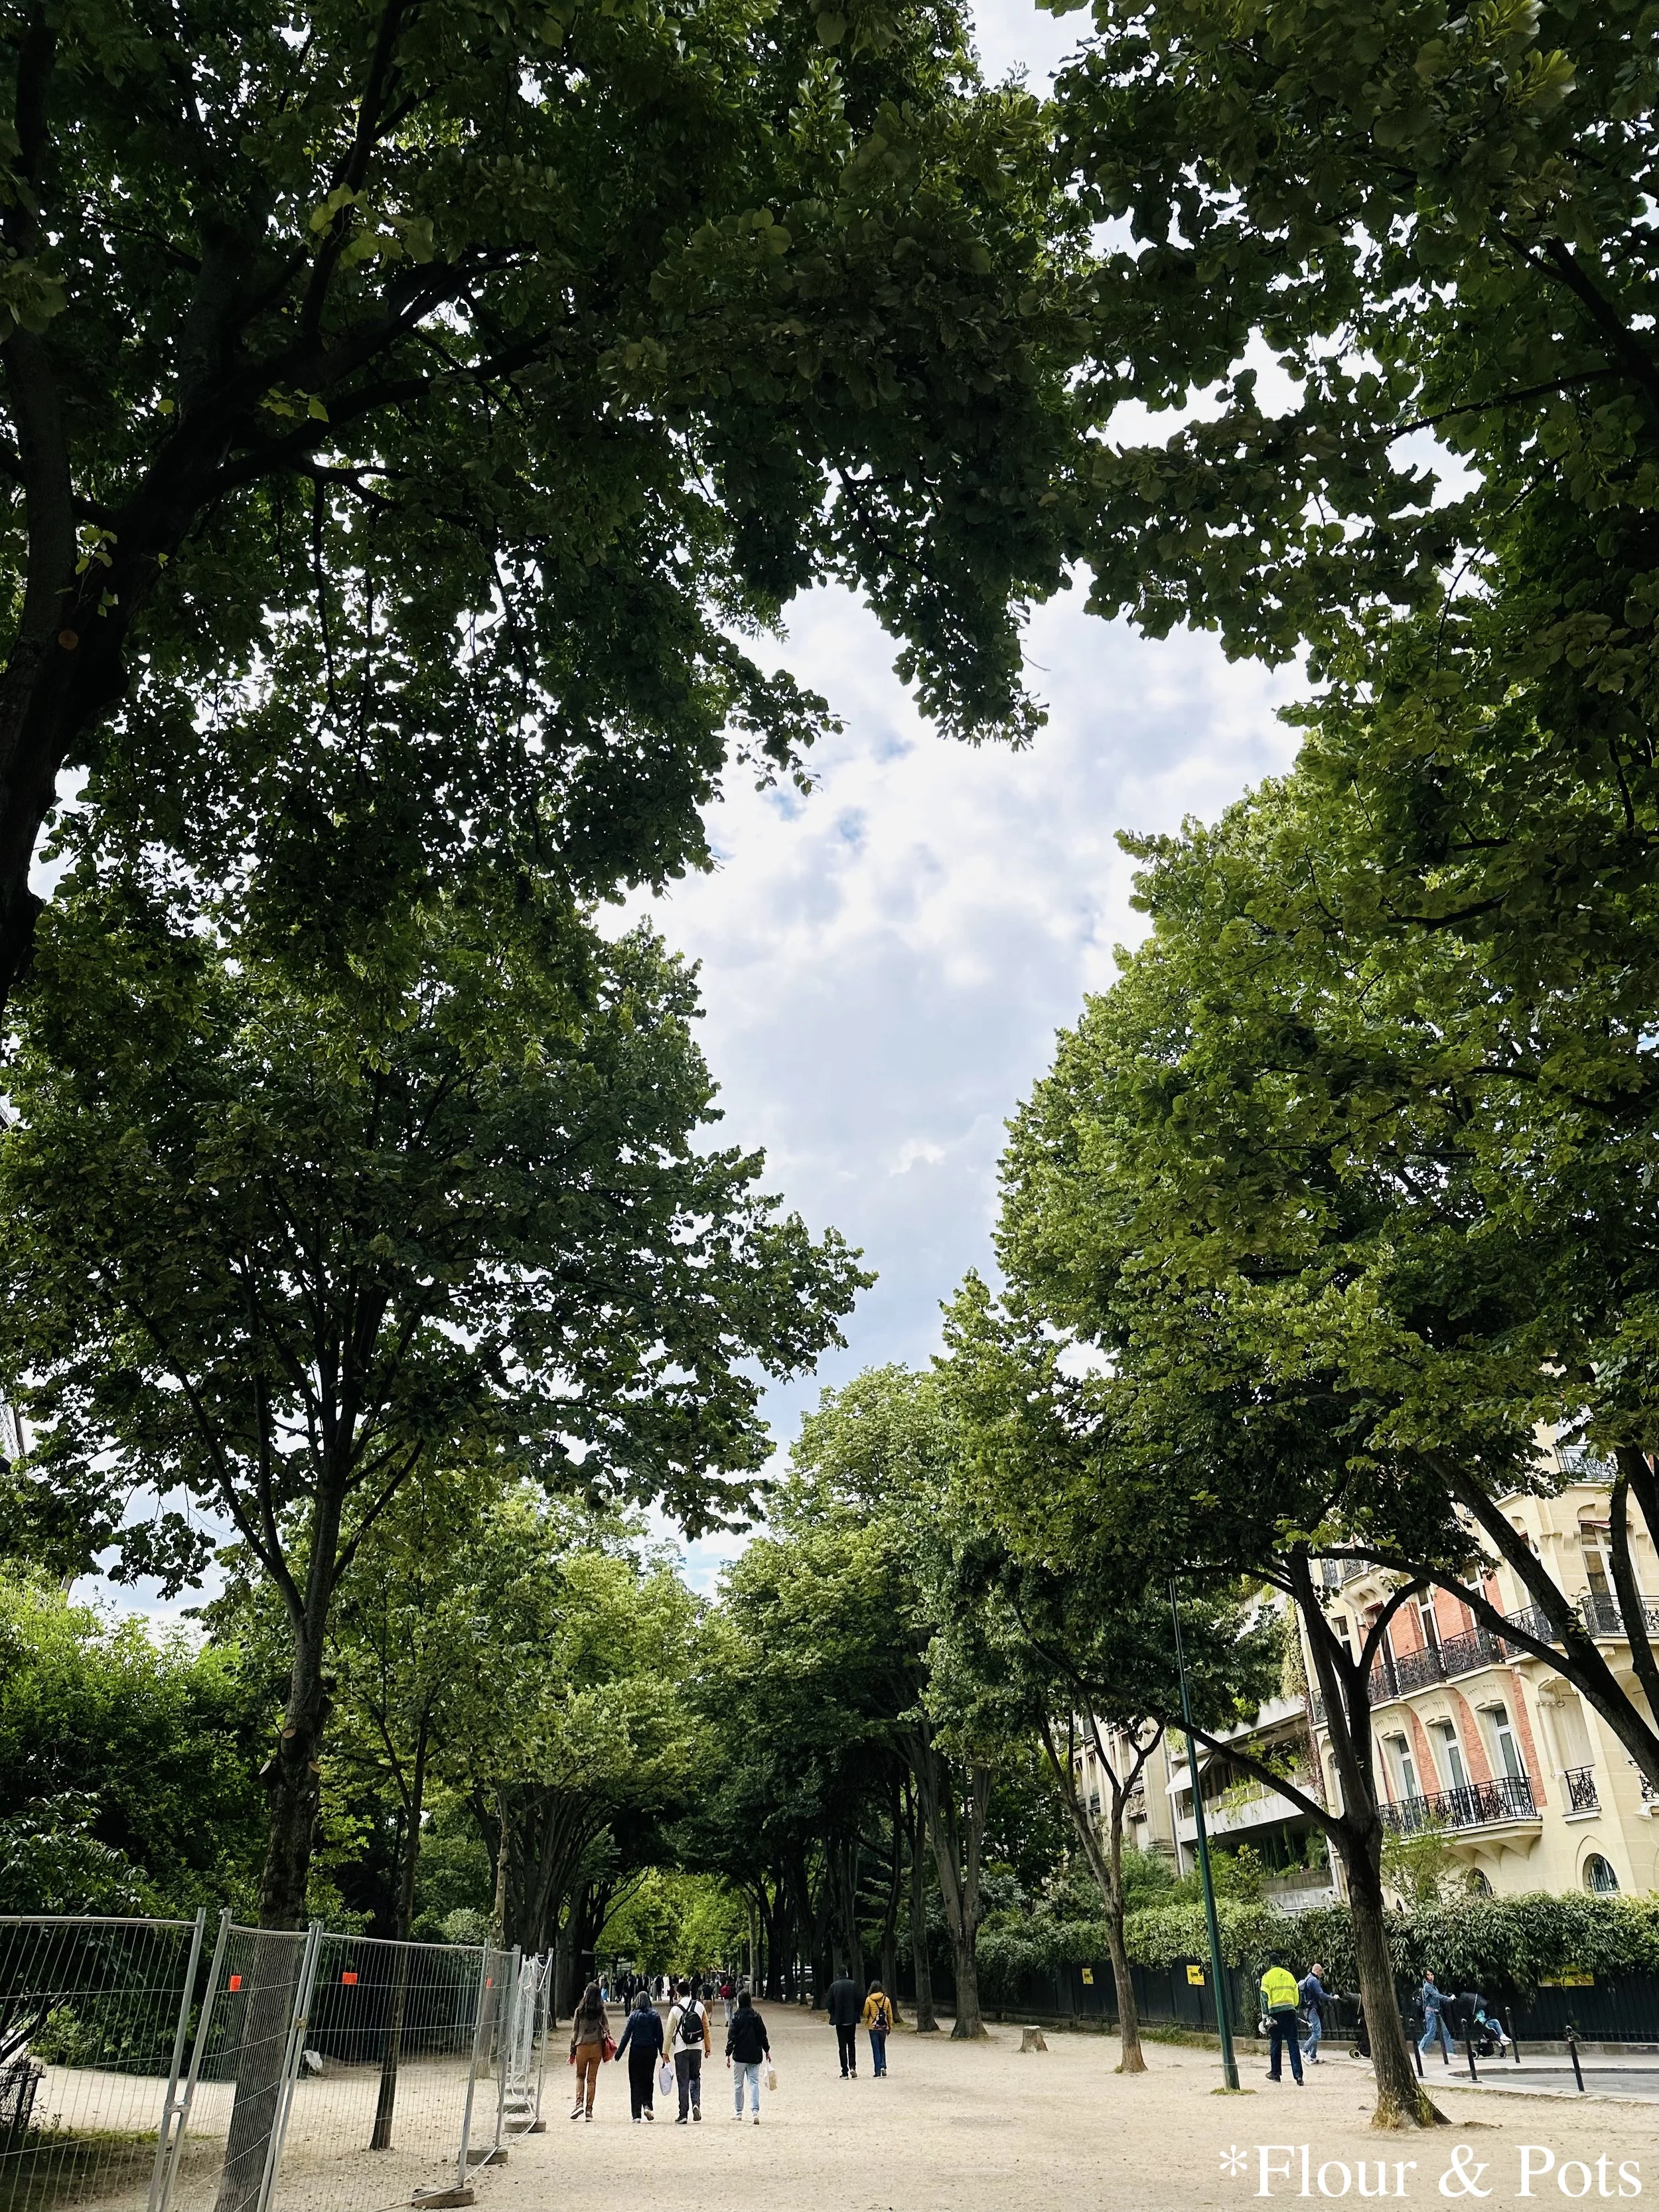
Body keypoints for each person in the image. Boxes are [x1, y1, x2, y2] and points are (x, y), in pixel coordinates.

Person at [615, 1988, 664, 2122]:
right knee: (648, 2079)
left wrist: (618, 2054)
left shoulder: (633, 2016)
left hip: (636, 2050)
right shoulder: (655, 2015)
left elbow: (626, 2036)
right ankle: (647, 2105)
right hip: (650, 2051)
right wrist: (663, 2053)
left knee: (635, 2081)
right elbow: (660, 2037)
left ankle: (636, 2114)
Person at [666, 1978, 711, 2124]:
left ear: (678, 1994)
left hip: (681, 2048)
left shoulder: (675, 2010)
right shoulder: (699, 2006)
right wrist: (707, 2048)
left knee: (683, 2081)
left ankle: (683, 2114)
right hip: (696, 2048)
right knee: (695, 2077)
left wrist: (665, 2051)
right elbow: (706, 2028)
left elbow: (668, 2032)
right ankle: (696, 2103)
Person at [725, 1988, 770, 2124]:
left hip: (739, 2056)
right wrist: (767, 2050)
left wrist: (728, 2053)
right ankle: (755, 2111)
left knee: (738, 2084)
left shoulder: (736, 2017)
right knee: (754, 2083)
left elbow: (731, 2036)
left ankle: (738, 2112)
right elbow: (763, 2035)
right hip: (755, 2055)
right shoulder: (756, 2016)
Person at [568, 1980, 609, 2122]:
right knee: (592, 2080)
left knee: (580, 2076)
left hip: (582, 2045)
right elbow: (607, 2028)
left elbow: (574, 2032)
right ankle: (589, 2111)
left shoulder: (580, 2011)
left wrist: (572, 2048)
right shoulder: (601, 2010)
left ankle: (579, 2103)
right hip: (596, 2045)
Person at [1260, 1958, 1304, 2085]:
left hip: (1275, 2014)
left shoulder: (1267, 1977)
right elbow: (1297, 1995)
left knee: (1276, 2042)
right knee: (1293, 2043)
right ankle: (1298, 2076)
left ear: (1270, 1963)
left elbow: (1264, 1997)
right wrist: (1295, 2008)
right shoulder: (1289, 1976)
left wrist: (1265, 2017)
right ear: (1280, 1962)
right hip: (1290, 2012)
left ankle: (1276, 2073)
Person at [826, 1970, 860, 2078]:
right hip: (851, 2019)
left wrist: (834, 2014)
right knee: (851, 2043)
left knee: (842, 2046)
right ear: (846, 1973)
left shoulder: (834, 1986)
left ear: (838, 1975)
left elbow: (829, 2003)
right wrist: (856, 2013)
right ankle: (853, 2066)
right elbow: (859, 2000)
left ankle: (844, 2071)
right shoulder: (853, 1985)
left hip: (839, 2020)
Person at [1419, 1971, 1455, 2067]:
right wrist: (1449, 1999)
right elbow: (1437, 1996)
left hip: (1436, 2012)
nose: (1431, 1977)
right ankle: (1421, 2049)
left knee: (1445, 2031)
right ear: (1425, 1977)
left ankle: (1450, 2051)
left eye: (1432, 1975)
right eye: (1428, 1975)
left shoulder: (1433, 1986)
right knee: (1431, 2032)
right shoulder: (1427, 1987)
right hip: (1430, 2012)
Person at [1298, 1962, 1332, 2065]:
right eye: (1321, 1974)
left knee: (1315, 2033)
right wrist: (1332, 1998)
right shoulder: (1313, 1981)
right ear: (1318, 1971)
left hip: (1308, 2010)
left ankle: (1313, 2057)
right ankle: (1304, 2050)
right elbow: (1321, 1995)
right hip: (1312, 2009)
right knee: (1317, 2033)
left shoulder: (1308, 1979)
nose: (1321, 1976)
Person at [861, 1979, 894, 2078]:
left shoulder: (869, 1999)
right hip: (883, 2027)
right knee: (882, 2047)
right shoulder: (886, 2000)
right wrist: (890, 2027)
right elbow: (890, 2015)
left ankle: (877, 2070)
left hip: (873, 2027)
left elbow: (866, 2013)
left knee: (875, 2048)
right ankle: (883, 2066)